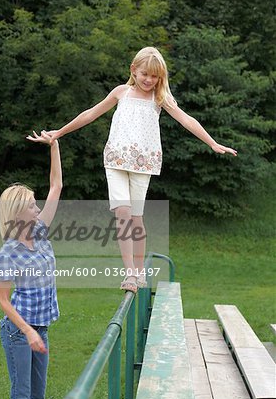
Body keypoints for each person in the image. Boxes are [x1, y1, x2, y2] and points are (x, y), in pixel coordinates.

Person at [47, 46, 237, 294]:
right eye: (145, 74)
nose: (149, 80)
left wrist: (212, 142)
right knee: (123, 212)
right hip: (115, 160)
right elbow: (91, 114)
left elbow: (187, 119)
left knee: (136, 217)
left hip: (142, 164)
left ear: (160, 78)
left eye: (155, 76)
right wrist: (59, 132)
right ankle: (129, 274)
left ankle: (139, 271)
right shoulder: (121, 93)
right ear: (133, 70)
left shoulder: (160, 98)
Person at [0, 131, 62, 399]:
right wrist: (28, 332)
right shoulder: (8, 252)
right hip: (18, 332)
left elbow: (56, 185)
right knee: (21, 397)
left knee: (37, 398)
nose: (38, 209)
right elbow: (2, 301)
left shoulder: (40, 232)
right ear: (18, 212)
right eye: (33, 206)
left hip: (41, 329)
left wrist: (54, 144)